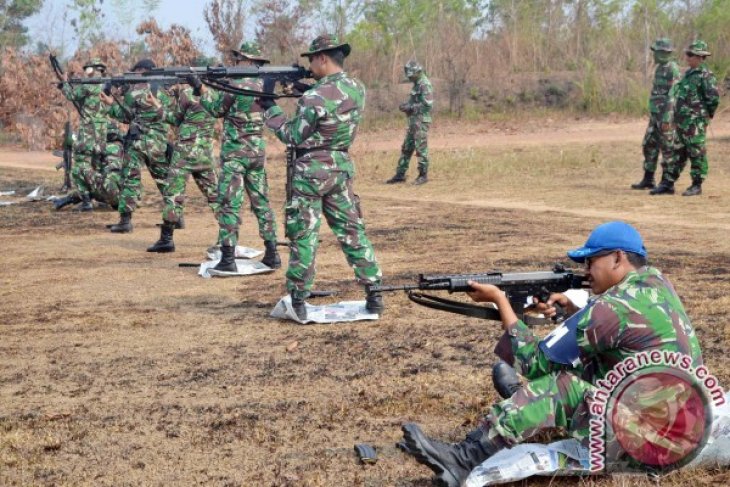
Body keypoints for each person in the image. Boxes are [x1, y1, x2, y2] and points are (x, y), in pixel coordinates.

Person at [399, 221, 703, 487]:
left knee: (560, 386)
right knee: (585, 365)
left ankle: (462, 459)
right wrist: (573, 312)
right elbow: (615, 332)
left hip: (645, 446)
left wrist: (501, 302)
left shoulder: (612, 307)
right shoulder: (655, 284)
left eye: (591, 262)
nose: (586, 272)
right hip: (674, 429)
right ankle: (528, 405)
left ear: (617, 258)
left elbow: (533, 363)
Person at [260, 34, 384, 320]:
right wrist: (302, 88)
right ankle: (374, 290)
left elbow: (292, 135)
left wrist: (271, 108)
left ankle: (299, 298)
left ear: (323, 58)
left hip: (311, 171)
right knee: (352, 231)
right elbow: (332, 102)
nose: (310, 65)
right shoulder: (357, 88)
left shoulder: (314, 96)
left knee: (304, 235)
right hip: (340, 166)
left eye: (312, 60)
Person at [199, 42, 281, 269]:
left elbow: (215, 109)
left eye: (239, 59)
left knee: (230, 205)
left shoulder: (235, 85)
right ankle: (272, 253)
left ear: (247, 61)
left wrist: (200, 88)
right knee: (262, 204)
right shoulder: (265, 84)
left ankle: (227, 258)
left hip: (236, 155)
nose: (236, 63)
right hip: (256, 154)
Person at [100, 59, 173, 233]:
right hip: (159, 143)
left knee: (130, 180)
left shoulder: (134, 92)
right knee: (164, 181)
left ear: (142, 71)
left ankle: (125, 221)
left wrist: (111, 102)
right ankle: (175, 217)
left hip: (139, 142)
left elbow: (125, 116)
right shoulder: (163, 90)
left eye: (136, 72)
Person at [147, 82, 220, 253]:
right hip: (205, 153)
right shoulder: (214, 93)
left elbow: (175, 119)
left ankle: (166, 239)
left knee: (173, 195)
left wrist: (157, 105)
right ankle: (227, 237)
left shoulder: (186, 93)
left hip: (185, 154)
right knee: (215, 195)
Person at [651, 40, 720, 197]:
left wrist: (706, 116)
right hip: (681, 122)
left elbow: (713, 99)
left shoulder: (706, 76)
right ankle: (667, 183)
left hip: (695, 122)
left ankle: (697, 185)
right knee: (676, 153)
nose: (687, 57)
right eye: (687, 54)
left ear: (700, 57)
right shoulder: (688, 74)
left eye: (690, 55)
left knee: (696, 152)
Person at [54, 58, 109, 212]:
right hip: (102, 132)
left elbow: (71, 95)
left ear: (92, 70)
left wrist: (64, 82)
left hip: (89, 131)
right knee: (97, 164)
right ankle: (101, 197)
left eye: (88, 69)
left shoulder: (88, 85)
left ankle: (86, 201)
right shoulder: (107, 85)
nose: (86, 72)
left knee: (80, 164)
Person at [631, 39, 680, 190]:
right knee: (649, 145)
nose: (654, 54)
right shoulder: (659, 68)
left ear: (664, 52)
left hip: (666, 116)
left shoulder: (673, 68)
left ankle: (667, 182)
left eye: (656, 51)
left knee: (667, 147)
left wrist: (667, 117)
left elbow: (674, 93)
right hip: (655, 116)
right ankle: (648, 179)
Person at [386, 60, 434, 185]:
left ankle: (423, 175)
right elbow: (415, 102)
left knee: (421, 148)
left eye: (412, 74)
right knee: (407, 148)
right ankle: (400, 175)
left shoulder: (424, 84)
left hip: (421, 122)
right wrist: (407, 106)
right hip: (413, 121)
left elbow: (427, 105)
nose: (410, 77)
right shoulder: (417, 84)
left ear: (418, 72)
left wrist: (411, 108)